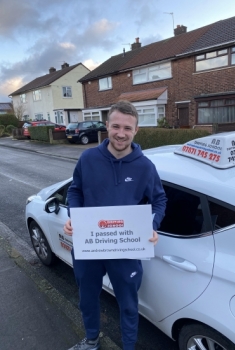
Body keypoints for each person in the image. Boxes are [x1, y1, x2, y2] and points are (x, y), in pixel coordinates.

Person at [64, 100, 166, 350]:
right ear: (107, 126)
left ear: (136, 130)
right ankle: (91, 341)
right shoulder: (88, 159)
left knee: (129, 304)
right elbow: (75, 191)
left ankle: (128, 347)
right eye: (116, 126)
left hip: (126, 249)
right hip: (90, 247)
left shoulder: (145, 166)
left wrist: (152, 225)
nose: (121, 134)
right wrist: (74, 216)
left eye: (127, 128)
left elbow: (159, 199)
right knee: (88, 299)